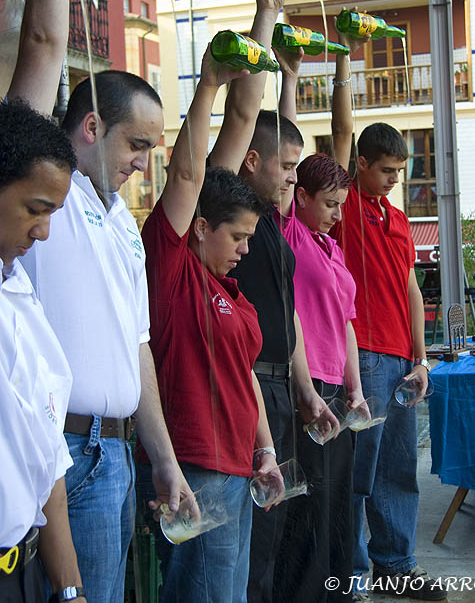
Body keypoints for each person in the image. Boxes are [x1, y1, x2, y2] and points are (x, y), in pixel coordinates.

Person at [10, 0, 193, 603]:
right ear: (88, 128)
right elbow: (47, 46)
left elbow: (137, 350)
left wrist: (165, 460)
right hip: (61, 453)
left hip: (115, 457)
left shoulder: (120, 223)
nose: (144, 163)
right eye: (136, 146)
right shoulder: (40, 194)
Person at [136, 41, 278, 603]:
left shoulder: (233, 293)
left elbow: (244, 377)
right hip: (196, 467)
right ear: (198, 228)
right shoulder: (171, 271)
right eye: (237, 237)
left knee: (231, 596)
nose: (245, 249)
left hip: (237, 470)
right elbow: (190, 172)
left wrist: (264, 452)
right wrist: (209, 84)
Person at [211, 72, 335, 598]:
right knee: (255, 541)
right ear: (252, 161)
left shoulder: (273, 222)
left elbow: (291, 319)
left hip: (283, 390)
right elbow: (241, 118)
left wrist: (305, 388)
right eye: (285, 167)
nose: (293, 177)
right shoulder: (226, 213)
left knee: (283, 529)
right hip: (250, 390)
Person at [331, 47, 446, 601]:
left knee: (400, 468)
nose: (395, 180)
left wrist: (422, 359)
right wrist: (345, 69)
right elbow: (342, 129)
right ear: (362, 165)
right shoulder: (347, 204)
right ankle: (350, 578)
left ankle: (395, 566)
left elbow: (409, 286)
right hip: (364, 355)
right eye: (386, 170)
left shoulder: (399, 219)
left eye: (400, 172)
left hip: (401, 357)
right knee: (360, 473)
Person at [268, 45, 365, 602]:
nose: (335, 212)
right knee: (308, 504)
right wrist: (291, 76)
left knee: (336, 500)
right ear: (298, 196)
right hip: (305, 388)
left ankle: (336, 590)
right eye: (327, 202)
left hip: (337, 386)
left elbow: (348, 322)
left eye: (340, 204)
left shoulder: (330, 248)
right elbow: (288, 146)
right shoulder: (290, 234)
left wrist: (355, 387)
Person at [0, 99, 86, 603]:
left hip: (27, 569)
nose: (44, 231)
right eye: (35, 209)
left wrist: (69, 587)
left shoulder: (18, 291)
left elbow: (46, 456)